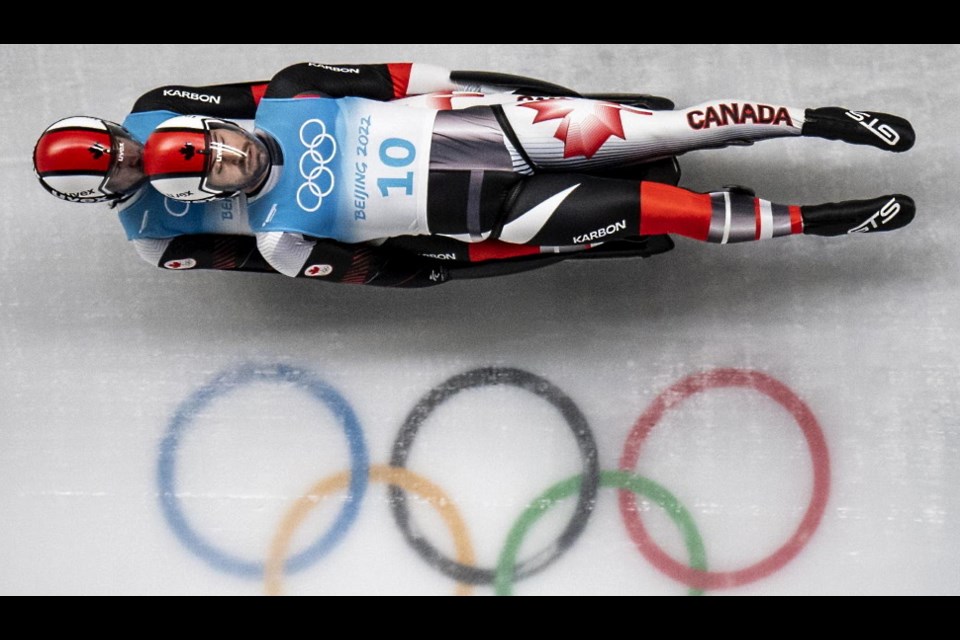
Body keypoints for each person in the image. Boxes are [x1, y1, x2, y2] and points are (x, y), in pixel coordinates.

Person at [144, 62, 918, 287]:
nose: (235, 156)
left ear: (223, 125)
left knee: (674, 125)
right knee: (668, 210)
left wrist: (503, 87)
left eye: (221, 142)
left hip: (504, 128)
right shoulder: (283, 242)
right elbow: (395, 273)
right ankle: (815, 222)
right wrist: (483, 260)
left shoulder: (290, 91)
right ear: (216, 195)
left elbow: (412, 73)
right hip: (507, 205)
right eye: (221, 169)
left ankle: (818, 120)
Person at [36, 63, 674, 286]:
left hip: (353, 146)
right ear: (105, 194)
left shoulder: (159, 107)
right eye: (120, 168)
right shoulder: (155, 240)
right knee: (456, 247)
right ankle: (610, 229)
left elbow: (264, 99)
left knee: (487, 112)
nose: (131, 157)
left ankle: (609, 123)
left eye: (121, 144)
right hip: (340, 214)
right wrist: (388, 271)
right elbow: (265, 261)